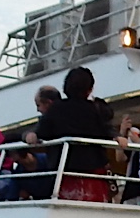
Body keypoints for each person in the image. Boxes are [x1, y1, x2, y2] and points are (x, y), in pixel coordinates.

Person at [36, 66, 115, 201]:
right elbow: (106, 131)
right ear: (89, 89)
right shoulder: (97, 109)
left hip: (65, 171)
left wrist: (28, 135)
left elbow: (42, 132)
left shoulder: (56, 109)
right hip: (94, 170)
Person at [14, 85, 62, 200]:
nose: (38, 110)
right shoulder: (73, 112)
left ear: (48, 103)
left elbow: (38, 131)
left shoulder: (48, 120)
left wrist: (28, 135)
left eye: (38, 105)